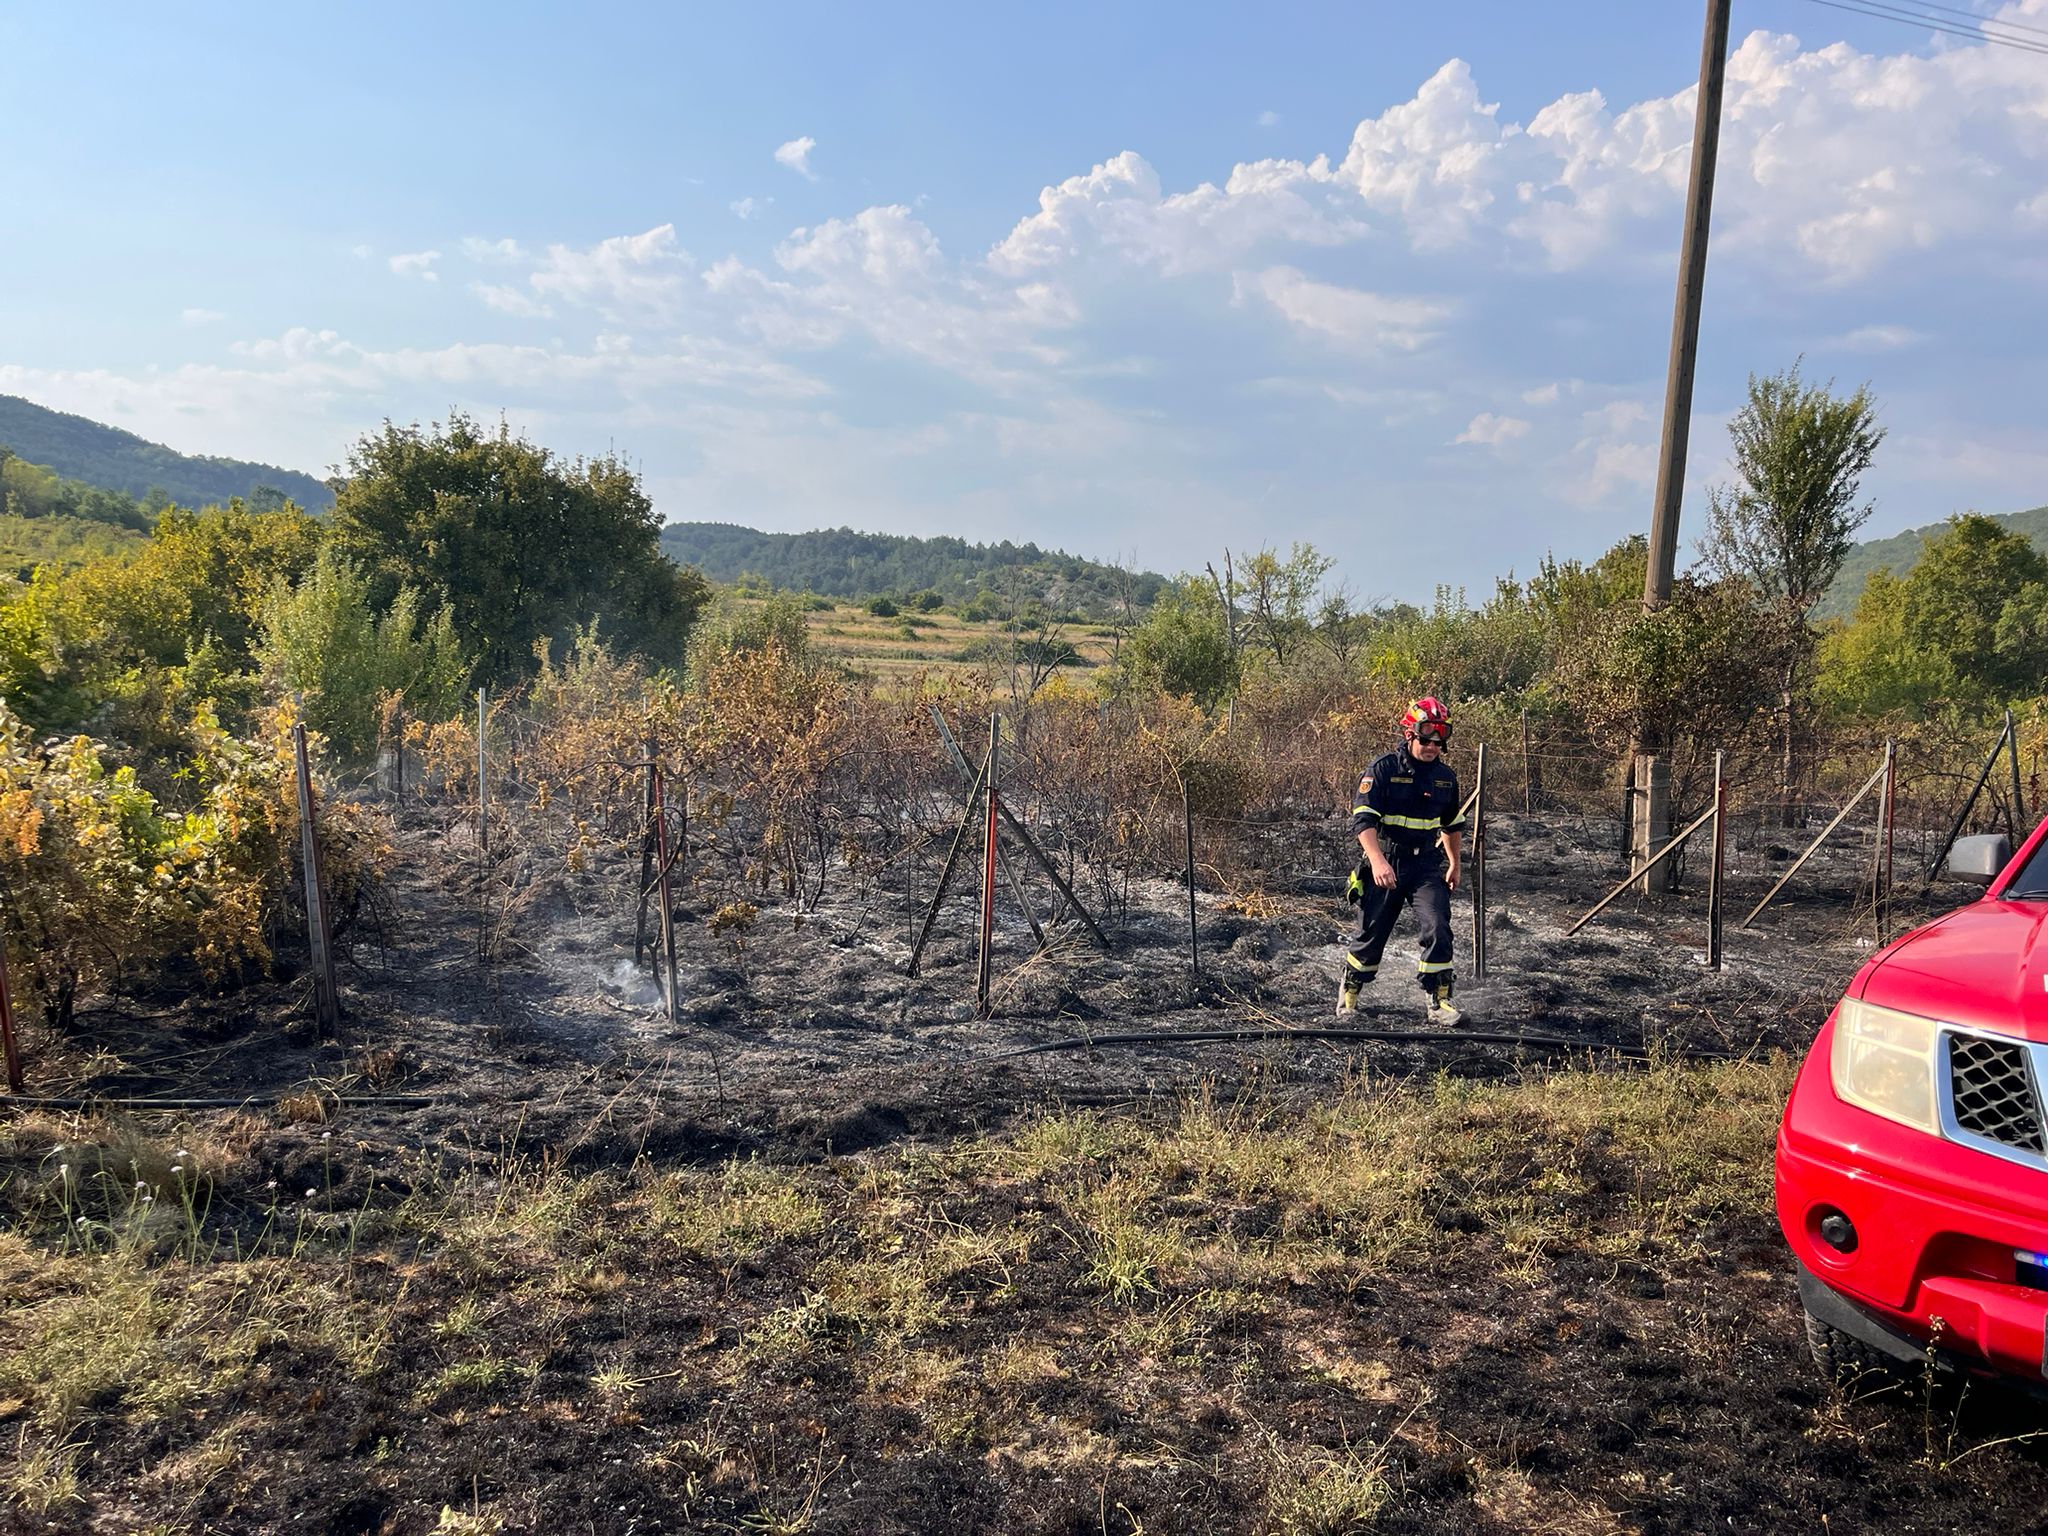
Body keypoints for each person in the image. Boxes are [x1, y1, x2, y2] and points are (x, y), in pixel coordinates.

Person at [1338, 696, 1466, 1024]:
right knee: (1371, 934)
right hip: (1388, 861)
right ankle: (1350, 993)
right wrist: (1378, 862)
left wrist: (1455, 863)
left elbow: (1451, 825)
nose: (1433, 745)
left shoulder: (1446, 779)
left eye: (1440, 739)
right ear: (1410, 734)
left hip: (1426, 864)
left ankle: (1439, 1002)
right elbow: (1363, 822)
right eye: (1426, 738)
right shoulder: (1383, 770)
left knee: (1438, 927)